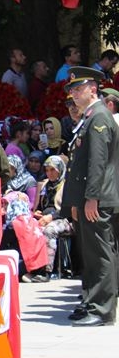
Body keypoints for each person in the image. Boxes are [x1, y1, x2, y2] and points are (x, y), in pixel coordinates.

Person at [61, 66, 119, 326]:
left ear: (93, 89)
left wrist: (92, 197)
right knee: (92, 254)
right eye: (71, 89)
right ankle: (91, 301)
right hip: (90, 197)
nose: (73, 93)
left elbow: (98, 162)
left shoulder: (99, 117)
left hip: (98, 197)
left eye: (77, 88)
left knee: (100, 253)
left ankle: (102, 309)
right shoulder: (91, 116)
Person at [32, 156, 73, 281]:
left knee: (49, 230)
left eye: (52, 170)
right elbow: (38, 206)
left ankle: (46, 271)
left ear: (60, 170)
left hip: (65, 220)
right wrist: (38, 213)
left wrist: (51, 217)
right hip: (45, 217)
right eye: (47, 170)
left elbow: (68, 209)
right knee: (28, 227)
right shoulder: (45, 184)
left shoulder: (67, 185)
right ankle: (32, 267)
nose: (49, 173)